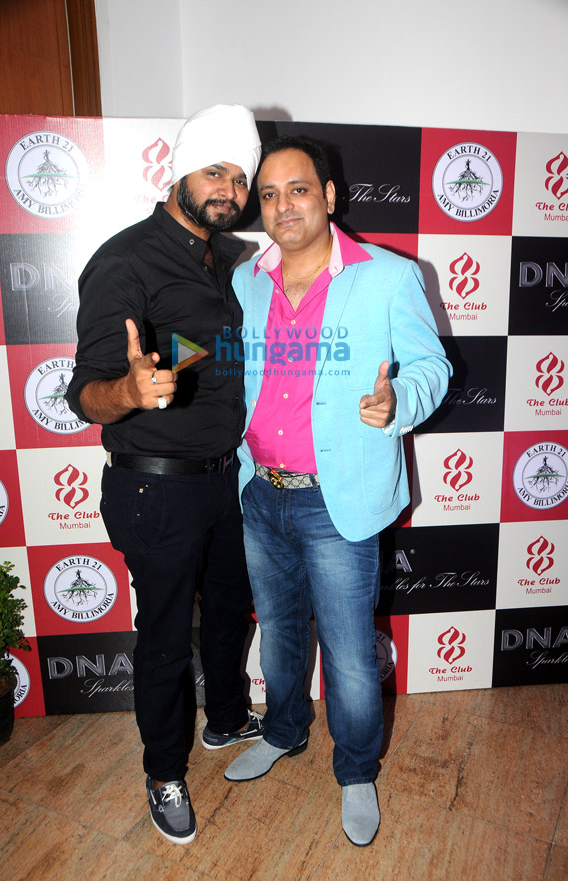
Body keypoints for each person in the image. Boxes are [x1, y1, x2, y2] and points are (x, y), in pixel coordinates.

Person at [223, 135, 451, 847]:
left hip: (337, 499)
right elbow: (218, 352)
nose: (282, 205)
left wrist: (399, 401)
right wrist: (166, 360)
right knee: (279, 633)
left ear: (327, 195)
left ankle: (355, 769)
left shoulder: (388, 276)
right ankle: (284, 730)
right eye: (268, 194)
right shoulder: (246, 279)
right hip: (260, 492)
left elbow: (432, 365)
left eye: (297, 189)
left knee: (350, 655)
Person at [66, 104, 264, 845]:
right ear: (178, 172)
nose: (229, 189)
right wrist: (129, 389)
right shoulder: (126, 260)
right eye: (215, 171)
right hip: (155, 486)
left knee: (229, 611)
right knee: (164, 635)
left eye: (239, 177)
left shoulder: (234, 258)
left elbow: (216, 346)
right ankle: (162, 772)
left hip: (226, 479)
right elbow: (84, 392)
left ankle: (226, 719)